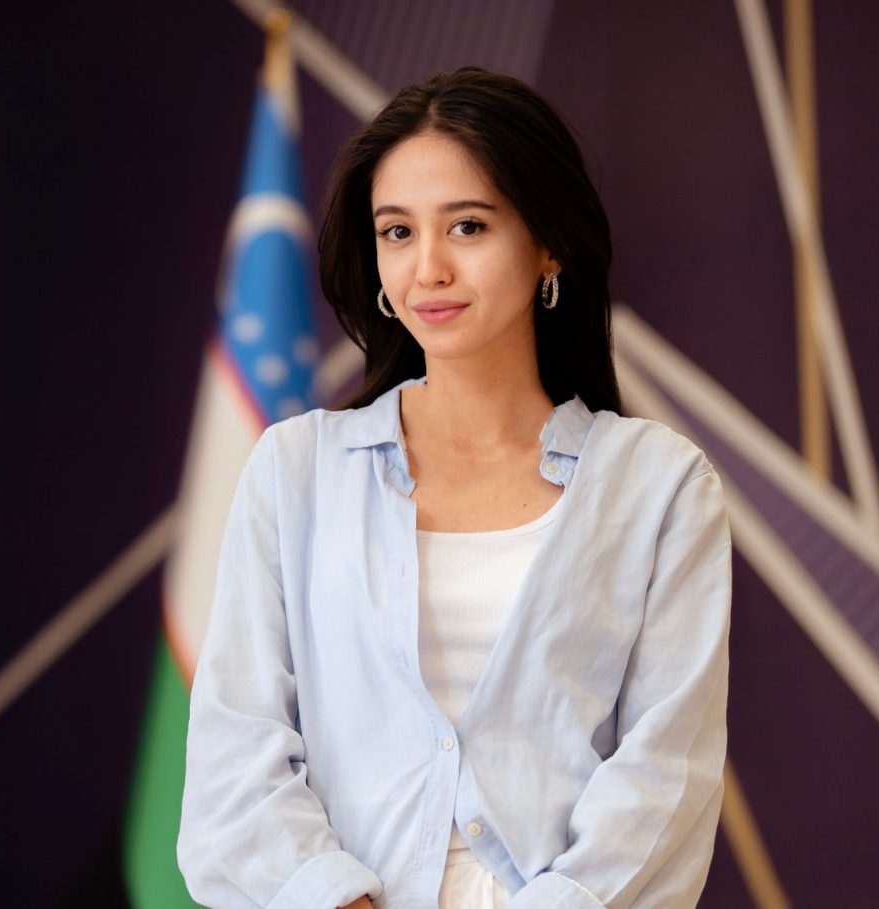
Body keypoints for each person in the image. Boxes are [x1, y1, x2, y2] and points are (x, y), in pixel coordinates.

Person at [178, 66, 731, 909]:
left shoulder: (659, 486)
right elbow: (235, 756)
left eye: (467, 225)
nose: (427, 267)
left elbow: (667, 772)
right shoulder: (296, 472)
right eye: (396, 232)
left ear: (549, 242)